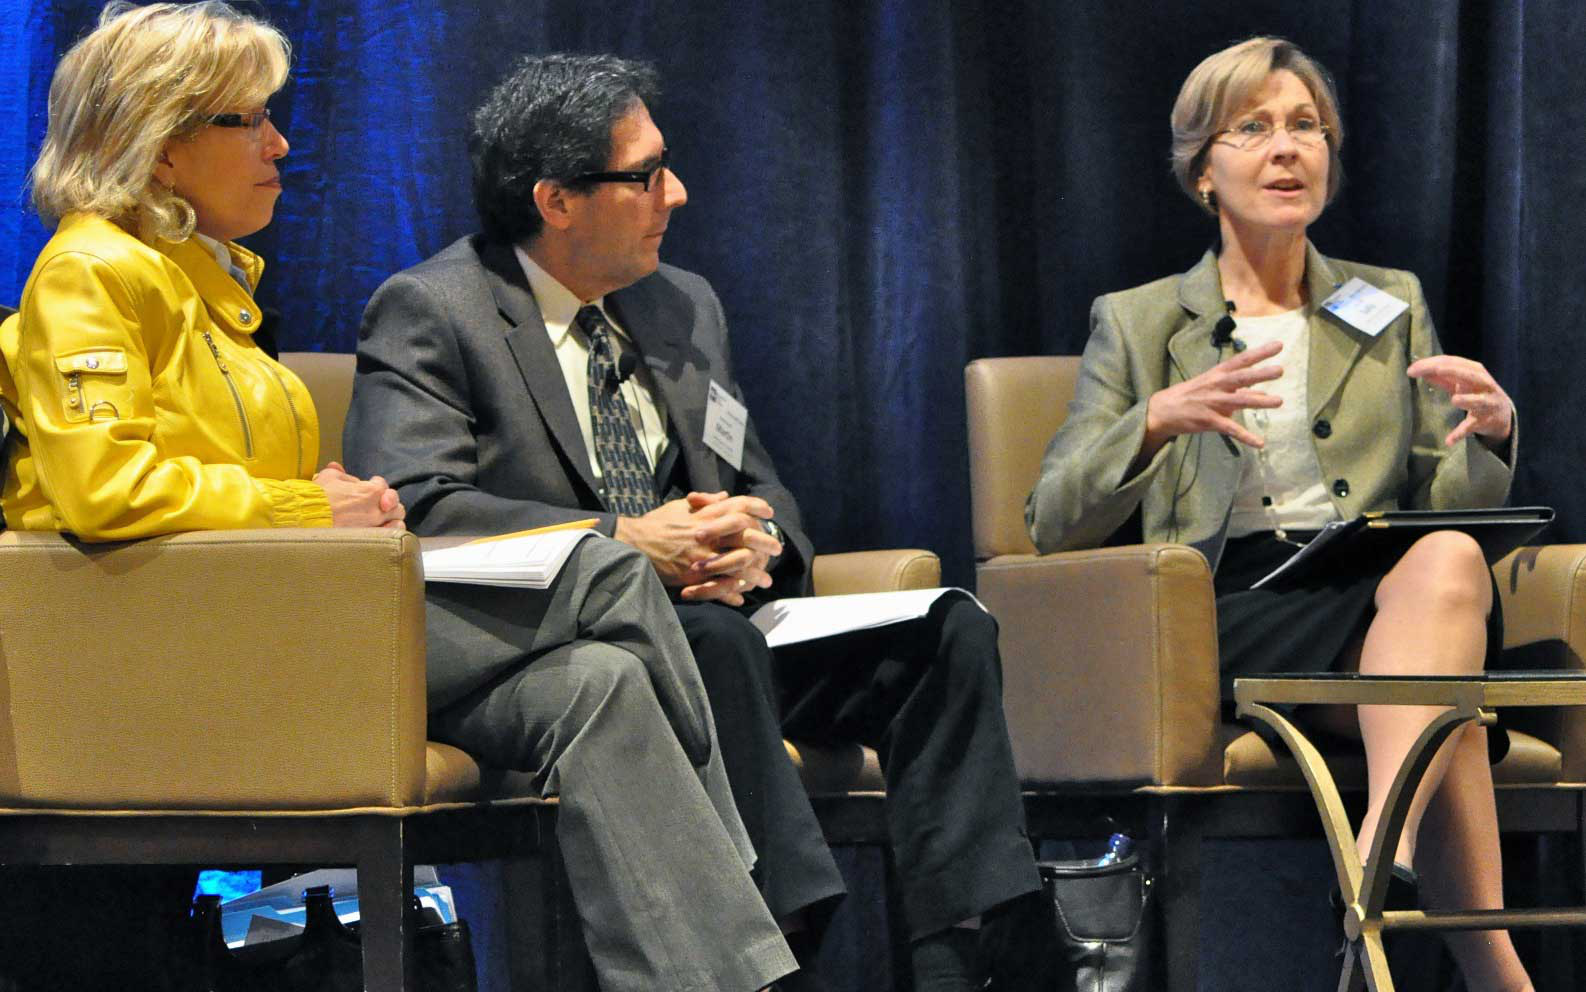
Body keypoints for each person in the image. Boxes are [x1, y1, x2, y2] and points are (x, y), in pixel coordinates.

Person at [0, 5, 796, 991]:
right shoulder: (91, 271)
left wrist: (323, 496)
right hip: (182, 654)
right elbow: (98, 483)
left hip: (264, 619)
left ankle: (712, 977)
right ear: (160, 149)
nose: (279, 143)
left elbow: (203, 475)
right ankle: (751, 887)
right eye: (246, 121)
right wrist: (302, 510)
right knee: (603, 566)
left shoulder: (201, 284)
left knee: (599, 682)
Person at [343, 53, 1044, 992]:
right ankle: (776, 940)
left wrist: (753, 543)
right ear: (556, 201)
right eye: (645, 175)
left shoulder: (683, 304)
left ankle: (972, 955)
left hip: (725, 617)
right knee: (712, 640)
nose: (677, 191)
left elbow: (761, 482)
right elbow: (417, 508)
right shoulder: (435, 311)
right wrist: (628, 539)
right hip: (572, 636)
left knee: (945, 630)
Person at [1026, 36, 1532, 991]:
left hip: (1382, 600)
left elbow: (1448, 507)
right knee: (1448, 715)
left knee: (1452, 561)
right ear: (1202, 171)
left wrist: (1488, 437)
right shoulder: (1137, 322)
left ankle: (1378, 859)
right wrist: (1156, 419)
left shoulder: (1390, 303)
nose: (1286, 147)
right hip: (1226, 607)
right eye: (1252, 128)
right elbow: (1053, 517)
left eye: (1306, 126)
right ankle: (1480, 957)